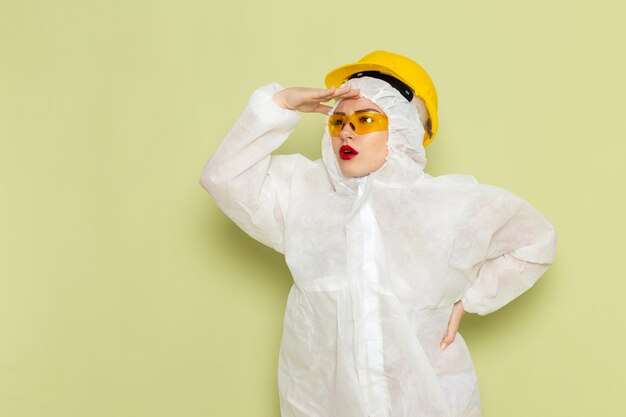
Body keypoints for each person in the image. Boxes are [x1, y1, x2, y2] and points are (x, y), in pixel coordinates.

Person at [199, 50, 557, 417]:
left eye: (365, 119)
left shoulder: (450, 205)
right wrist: (279, 104)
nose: (347, 131)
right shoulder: (302, 194)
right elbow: (224, 178)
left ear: (403, 127)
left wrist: (474, 298)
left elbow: (536, 241)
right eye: (337, 122)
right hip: (326, 405)